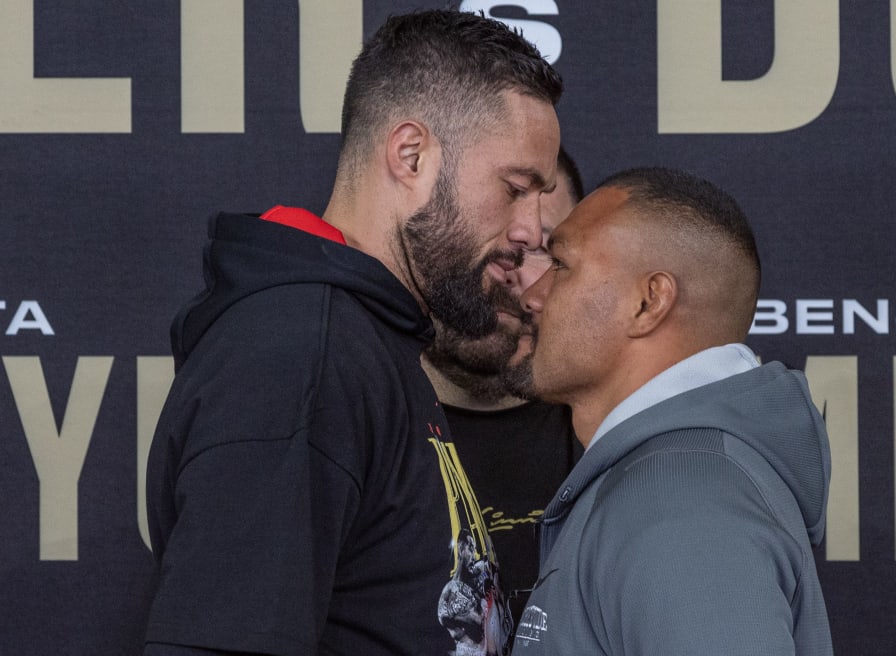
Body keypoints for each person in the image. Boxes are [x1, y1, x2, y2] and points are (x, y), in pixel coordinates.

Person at [144, 10, 561, 656]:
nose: (535, 230)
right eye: (516, 189)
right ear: (411, 155)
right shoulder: (303, 352)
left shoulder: (370, 336)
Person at [512, 167, 834, 654]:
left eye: (560, 264)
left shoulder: (682, 497)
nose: (532, 295)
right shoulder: (679, 480)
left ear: (648, 302)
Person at [421, 147, 584, 627]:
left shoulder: (619, 435)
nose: (509, 268)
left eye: (540, 247)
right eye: (482, 243)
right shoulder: (361, 419)